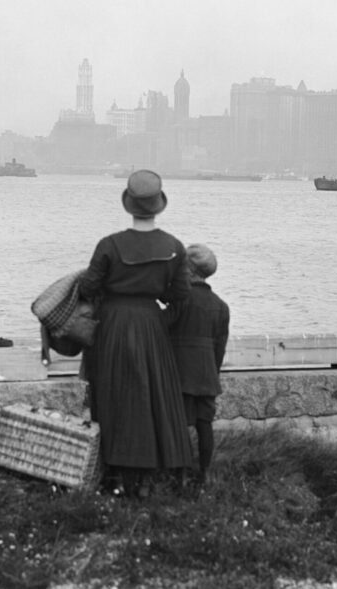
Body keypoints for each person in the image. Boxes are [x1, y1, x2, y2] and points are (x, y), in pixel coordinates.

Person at [79, 169, 194, 497]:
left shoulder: (110, 244)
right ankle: (151, 474)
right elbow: (181, 295)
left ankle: (114, 473)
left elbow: (88, 286)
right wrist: (158, 319)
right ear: (158, 206)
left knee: (113, 394)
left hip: (113, 323)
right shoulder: (174, 246)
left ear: (129, 205)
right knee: (153, 396)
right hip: (150, 324)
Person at [167, 244, 230, 487]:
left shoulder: (181, 300)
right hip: (206, 375)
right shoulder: (221, 306)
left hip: (179, 373)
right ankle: (204, 473)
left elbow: (162, 327)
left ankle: (180, 474)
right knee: (205, 426)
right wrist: (212, 373)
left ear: (189, 270)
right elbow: (219, 348)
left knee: (179, 424)